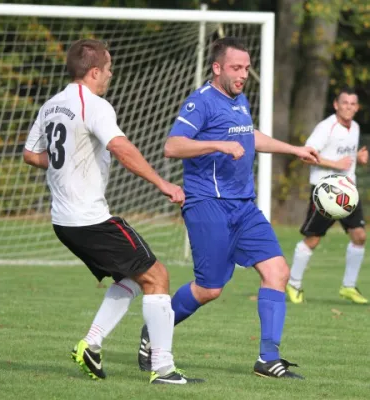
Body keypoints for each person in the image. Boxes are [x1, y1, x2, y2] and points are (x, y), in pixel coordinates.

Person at [23, 39, 203, 385]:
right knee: (157, 276)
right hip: (89, 219)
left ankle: (91, 344)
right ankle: (163, 369)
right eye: (107, 69)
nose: (111, 74)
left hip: (64, 221)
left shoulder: (52, 105)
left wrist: (69, 160)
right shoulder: (95, 105)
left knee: (132, 279)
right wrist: (162, 184)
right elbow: (121, 148)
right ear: (93, 72)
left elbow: (32, 155)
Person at [137, 37, 319, 379]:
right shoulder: (200, 103)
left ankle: (268, 358)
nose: (243, 74)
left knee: (277, 272)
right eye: (236, 68)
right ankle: (155, 332)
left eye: (247, 68)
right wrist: (217, 143)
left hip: (244, 207)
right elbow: (172, 146)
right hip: (207, 204)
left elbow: (250, 136)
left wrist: (294, 149)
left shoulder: (240, 99)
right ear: (217, 67)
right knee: (210, 289)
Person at [286, 88, 368, 305]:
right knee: (313, 239)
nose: (349, 107)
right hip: (326, 192)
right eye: (345, 102)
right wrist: (335, 165)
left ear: (357, 107)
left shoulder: (355, 127)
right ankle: (293, 283)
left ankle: (348, 287)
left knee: (359, 236)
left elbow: (345, 156)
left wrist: (356, 158)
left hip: (348, 191)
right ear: (336, 105)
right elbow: (307, 155)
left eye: (353, 103)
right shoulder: (326, 128)